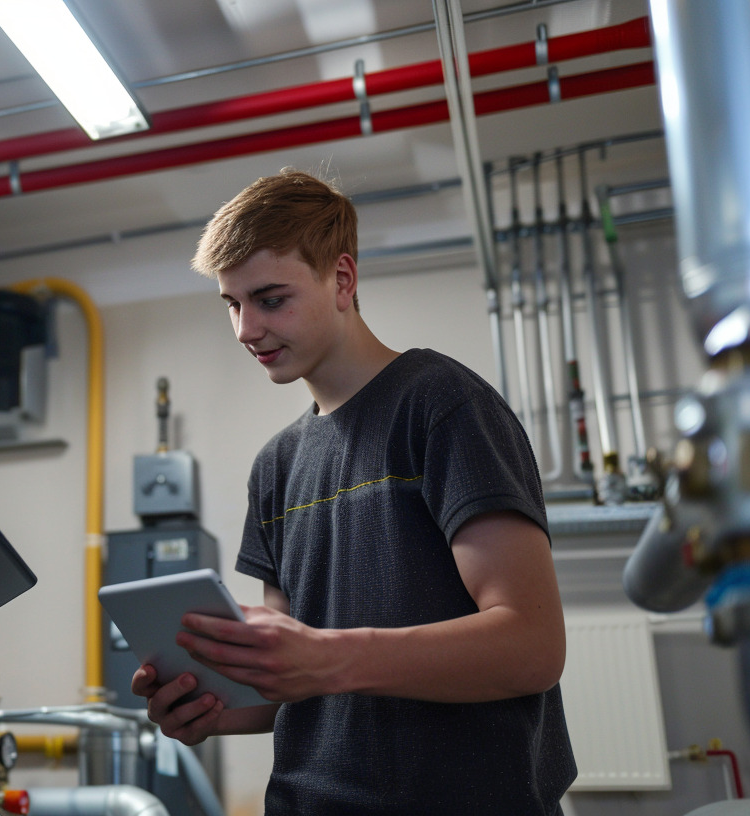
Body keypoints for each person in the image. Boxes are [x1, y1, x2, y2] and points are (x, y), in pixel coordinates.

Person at [131, 169, 576, 814]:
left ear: (343, 280)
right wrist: (210, 709)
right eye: (232, 303)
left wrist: (332, 658)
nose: (246, 329)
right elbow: (296, 676)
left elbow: (531, 647)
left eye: (270, 299)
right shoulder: (276, 466)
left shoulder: (444, 406)